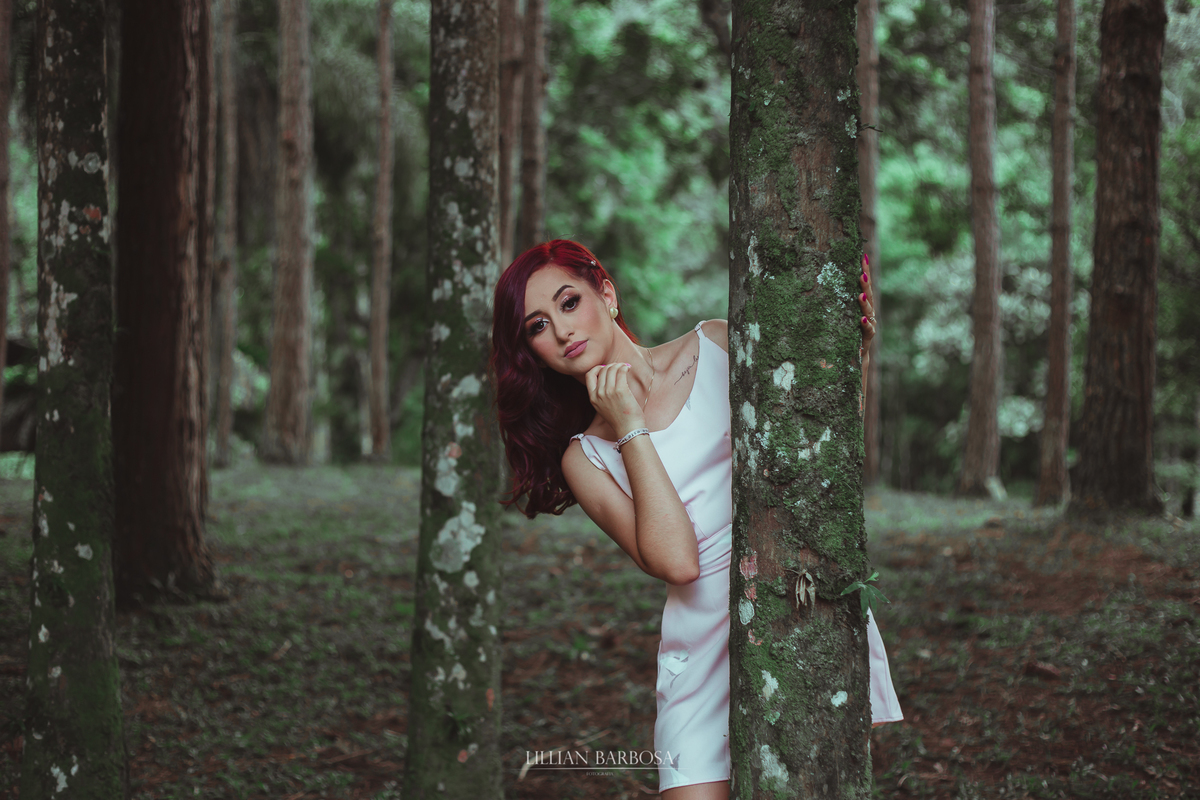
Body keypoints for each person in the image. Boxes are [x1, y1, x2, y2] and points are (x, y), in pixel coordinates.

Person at [491, 240, 902, 800]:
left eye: (569, 303)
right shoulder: (584, 456)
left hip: (795, 604)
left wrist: (861, 353)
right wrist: (629, 425)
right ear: (533, 351)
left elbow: (819, 457)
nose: (562, 331)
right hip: (698, 651)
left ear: (605, 294)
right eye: (538, 325)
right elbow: (679, 562)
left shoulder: (712, 344)